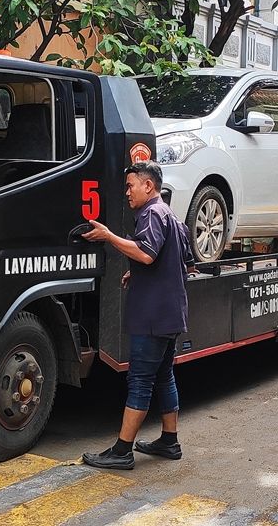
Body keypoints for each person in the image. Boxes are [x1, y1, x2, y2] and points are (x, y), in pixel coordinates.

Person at [80, 160, 193, 470]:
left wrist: (109, 236)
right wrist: (138, 274)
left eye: (131, 186)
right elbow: (180, 260)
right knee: (163, 375)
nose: (127, 192)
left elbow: (146, 252)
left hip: (153, 316)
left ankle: (122, 450)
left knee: (141, 381)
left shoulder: (151, 214)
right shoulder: (168, 213)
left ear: (148, 186)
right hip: (170, 313)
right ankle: (169, 441)